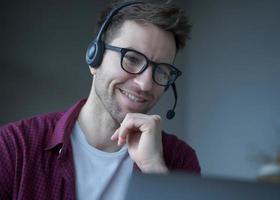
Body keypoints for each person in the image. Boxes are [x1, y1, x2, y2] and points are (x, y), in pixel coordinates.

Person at [0, 0, 200, 199]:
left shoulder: (179, 160)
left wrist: (154, 169)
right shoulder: (14, 147)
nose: (145, 84)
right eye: (131, 58)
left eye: (162, 70)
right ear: (94, 58)